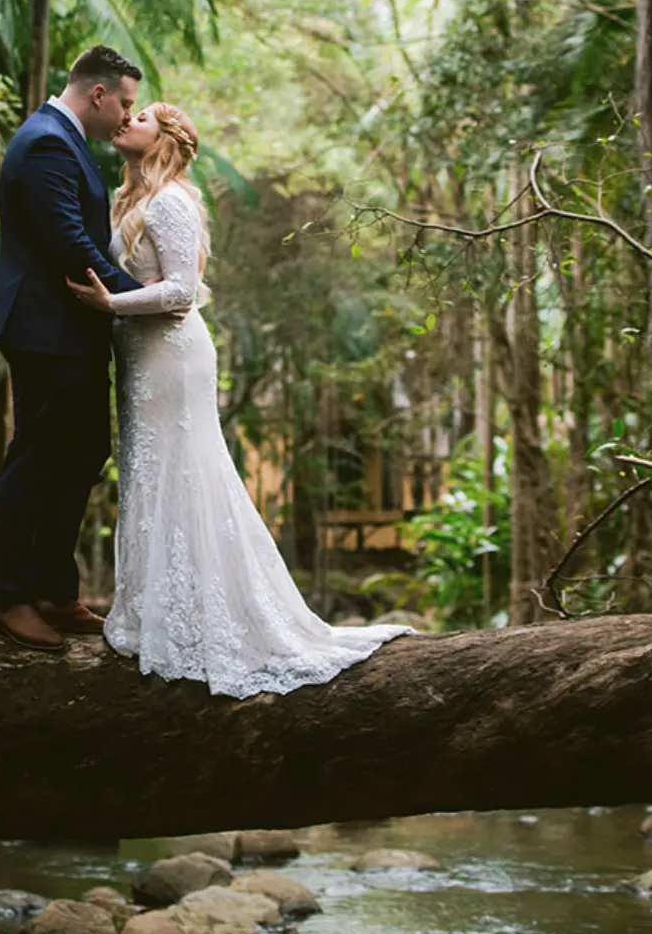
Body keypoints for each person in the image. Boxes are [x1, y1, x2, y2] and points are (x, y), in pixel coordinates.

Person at [68, 101, 412, 695]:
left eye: (142, 116)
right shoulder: (125, 200)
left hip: (172, 353)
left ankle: (209, 619)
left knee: (184, 470)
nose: (127, 120)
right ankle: (157, 610)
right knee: (149, 472)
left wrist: (112, 305)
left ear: (166, 139)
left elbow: (181, 291)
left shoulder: (171, 199)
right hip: (139, 355)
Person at [0, 45, 144, 649]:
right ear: (97, 94)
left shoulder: (64, 137)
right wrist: (146, 299)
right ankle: (9, 597)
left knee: (81, 454)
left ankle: (54, 590)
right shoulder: (48, 140)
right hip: (45, 331)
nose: (125, 119)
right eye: (123, 104)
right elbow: (70, 243)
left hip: (72, 331)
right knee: (39, 458)